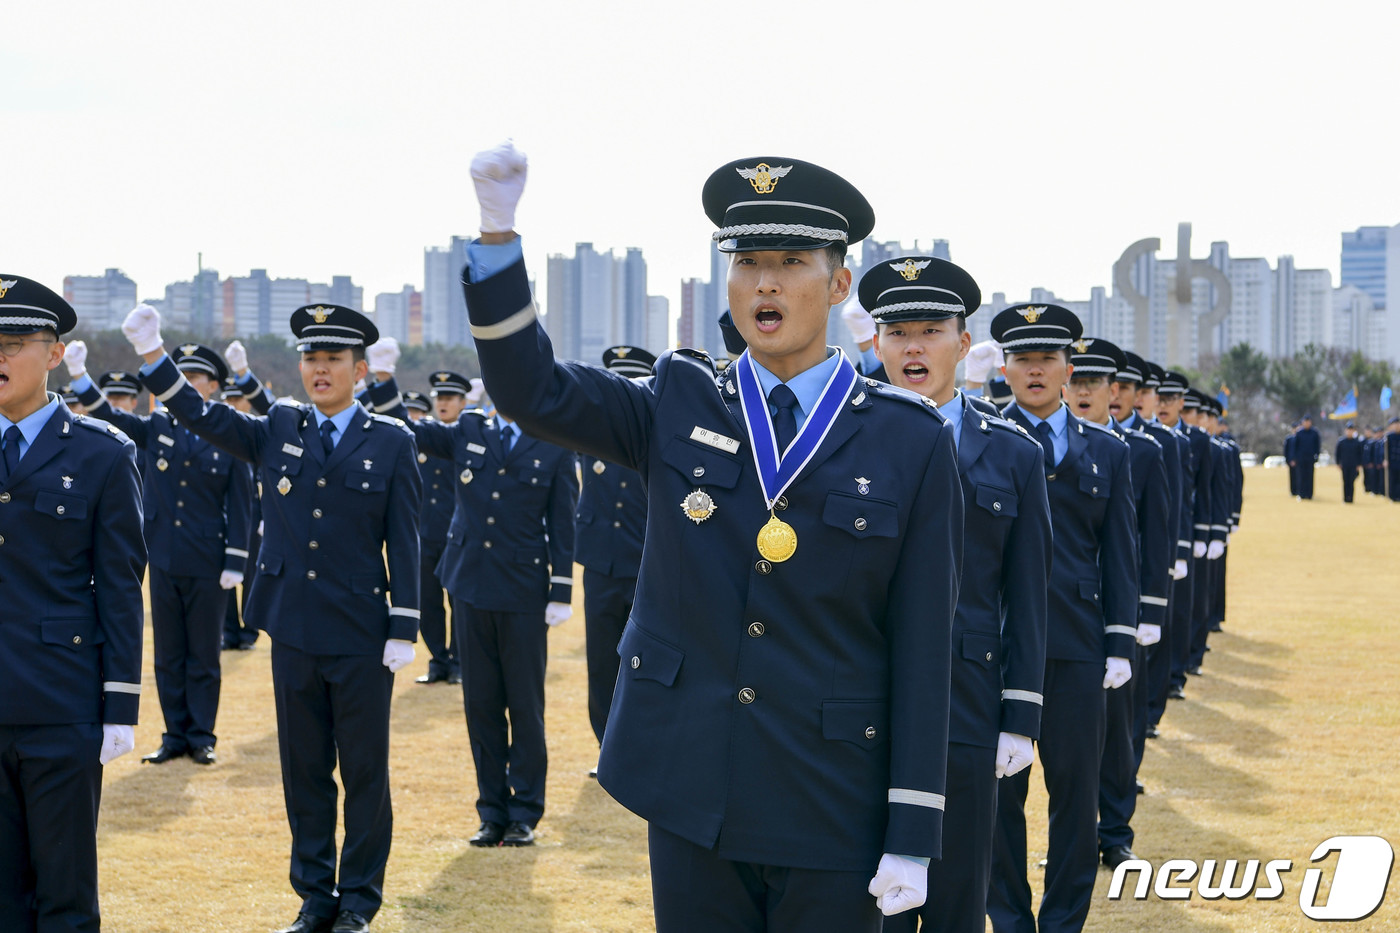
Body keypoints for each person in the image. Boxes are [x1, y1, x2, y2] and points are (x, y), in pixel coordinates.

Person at [458, 144, 962, 931]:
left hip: (833, 799)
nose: (764, 281)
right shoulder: (679, 397)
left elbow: (926, 647)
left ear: (838, 284)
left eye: (791, 260)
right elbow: (533, 390)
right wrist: (497, 240)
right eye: (749, 260)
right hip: (694, 789)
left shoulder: (910, 440)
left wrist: (913, 829)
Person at [121, 301, 421, 933]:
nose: (319, 369)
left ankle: (359, 901)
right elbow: (200, 415)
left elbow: (406, 541)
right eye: (310, 359)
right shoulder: (279, 425)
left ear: (359, 369)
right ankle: (315, 898)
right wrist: (154, 357)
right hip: (293, 628)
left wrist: (404, 626)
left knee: (364, 772)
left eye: (332, 359)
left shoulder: (392, 441)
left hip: (363, 635)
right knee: (304, 770)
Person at [858, 257, 1049, 933]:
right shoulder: (844, 444)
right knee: (863, 898)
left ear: (963, 345)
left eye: (932, 330)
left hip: (966, 706)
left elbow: (1029, 596)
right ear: (875, 344)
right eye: (899, 331)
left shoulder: (1015, 454)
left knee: (958, 898)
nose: (915, 346)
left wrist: (1021, 713)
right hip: (859, 700)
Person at [365, 343, 577, 849]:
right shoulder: (469, 429)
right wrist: (384, 378)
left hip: (524, 589)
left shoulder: (553, 441)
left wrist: (561, 588)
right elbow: (408, 429)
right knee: (480, 705)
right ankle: (491, 810)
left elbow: (563, 522)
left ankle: (524, 811)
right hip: (469, 584)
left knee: (524, 706)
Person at [0, 275, 145, 932]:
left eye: (13, 342)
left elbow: (120, 586)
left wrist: (120, 704)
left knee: (63, 897)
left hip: (61, 702)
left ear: (54, 354)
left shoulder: (102, 453)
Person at [986, 305, 1138, 933]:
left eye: (1047, 359)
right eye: (1023, 359)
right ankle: (1011, 919)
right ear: (1005, 369)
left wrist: (1121, 640)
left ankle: (1063, 921)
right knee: (999, 800)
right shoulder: (978, 437)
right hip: (995, 646)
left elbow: (1122, 555)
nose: (1035, 370)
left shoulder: (1108, 451)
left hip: (1076, 646)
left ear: (1068, 370)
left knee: (1075, 798)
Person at [66, 341, 254, 766]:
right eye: (179, 377)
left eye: (194, 379)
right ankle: (173, 735)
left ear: (212, 387)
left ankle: (202, 735)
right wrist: (79, 376)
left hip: (209, 561)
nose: (184, 384)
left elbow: (241, 502)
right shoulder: (159, 426)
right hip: (164, 555)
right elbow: (111, 417)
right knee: (168, 655)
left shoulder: (228, 431)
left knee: (203, 654)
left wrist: (236, 559)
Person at [1061, 339, 1169, 870]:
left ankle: (1115, 830)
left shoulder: (1140, 451)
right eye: (1077, 383)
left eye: (1095, 385)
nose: (1083, 393)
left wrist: (1144, 614)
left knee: (1116, 735)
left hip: (1111, 613)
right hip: (1057, 616)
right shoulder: (1035, 443)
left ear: (1114, 391)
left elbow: (1147, 537)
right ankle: (1079, 836)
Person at [577, 346, 654, 767]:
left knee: (644, 664)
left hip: (647, 566)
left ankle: (642, 747)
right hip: (601, 565)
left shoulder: (655, 432)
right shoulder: (591, 434)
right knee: (601, 662)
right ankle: (607, 746)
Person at [1291, 414, 1321, 500]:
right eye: (1305, 422)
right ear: (1303, 423)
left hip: (1310, 458)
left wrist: (1317, 456)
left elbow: (1317, 446)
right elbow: (1295, 446)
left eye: (1308, 422)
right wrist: (1294, 458)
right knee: (1301, 476)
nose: (1307, 423)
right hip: (1301, 458)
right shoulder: (1299, 433)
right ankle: (1301, 494)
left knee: (1310, 477)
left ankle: (1309, 494)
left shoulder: (1314, 433)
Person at [1336, 423, 1363, 503]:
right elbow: (1338, 453)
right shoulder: (1341, 441)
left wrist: (1359, 464)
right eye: (1348, 430)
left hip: (1353, 465)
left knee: (1351, 482)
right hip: (1344, 465)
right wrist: (1338, 463)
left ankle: (1350, 498)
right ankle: (1345, 498)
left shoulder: (1357, 442)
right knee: (1345, 481)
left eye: (1351, 430)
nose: (1349, 432)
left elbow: (1360, 454)